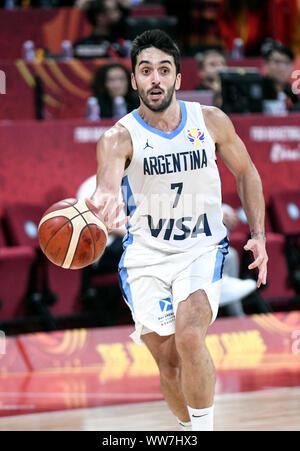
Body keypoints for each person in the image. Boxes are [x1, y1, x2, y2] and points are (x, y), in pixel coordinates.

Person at [90, 29, 268, 431]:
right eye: (146, 70)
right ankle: (189, 431)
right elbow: (106, 184)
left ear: (178, 79)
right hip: (145, 257)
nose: (155, 78)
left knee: (190, 337)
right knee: (169, 364)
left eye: (164, 70)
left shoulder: (209, 120)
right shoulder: (118, 138)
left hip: (201, 248)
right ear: (134, 79)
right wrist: (107, 203)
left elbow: (247, 173)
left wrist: (257, 232)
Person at [262, 42, 300, 112]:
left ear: (292, 67)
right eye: (277, 62)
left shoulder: (292, 93)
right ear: (266, 65)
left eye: (287, 63)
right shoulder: (258, 90)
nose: (282, 68)